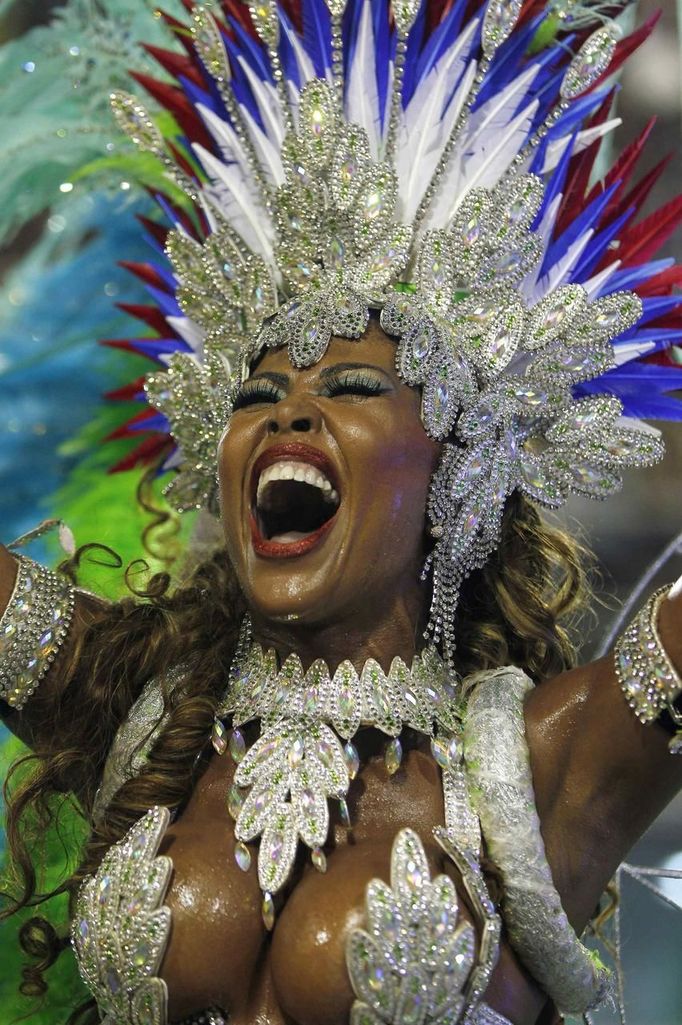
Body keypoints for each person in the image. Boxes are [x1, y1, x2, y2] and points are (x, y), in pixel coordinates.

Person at [1, 1, 682, 1024]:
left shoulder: (543, 765)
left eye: (354, 389)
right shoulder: (133, 704)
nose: (289, 412)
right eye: (254, 396)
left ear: (460, 468)